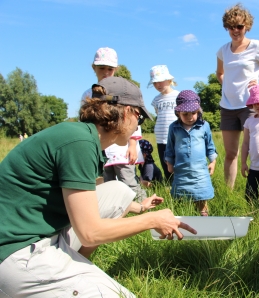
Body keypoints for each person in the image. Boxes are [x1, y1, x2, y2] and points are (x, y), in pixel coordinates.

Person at [0, 77, 196, 297]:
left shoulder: (81, 137)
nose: (138, 126)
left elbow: (86, 200)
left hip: (39, 232)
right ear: (127, 112)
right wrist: (153, 220)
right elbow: (89, 233)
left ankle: (76, 270)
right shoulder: (79, 143)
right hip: (18, 251)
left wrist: (140, 208)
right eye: (139, 118)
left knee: (118, 191)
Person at [216, 3, 259, 189]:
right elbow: (219, 73)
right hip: (227, 107)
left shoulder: (256, 46)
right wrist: (227, 86)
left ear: (246, 26)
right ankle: (228, 192)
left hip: (251, 107)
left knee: (256, 151)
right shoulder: (223, 50)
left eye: (239, 26)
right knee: (231, 153)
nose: (235, 30)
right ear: (227, 28)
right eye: (231, 27)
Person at [81, 47, 147, 201]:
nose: (105, 72)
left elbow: (133, 121)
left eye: (109, 69)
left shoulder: (122, 91)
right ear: (93, 68)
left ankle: (142, 204)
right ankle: (115, 208)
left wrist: (132, 145)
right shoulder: (88, 94)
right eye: (101, 68)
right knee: (106, 182)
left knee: (128, 180)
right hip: (101, 147)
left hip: (121, 149)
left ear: (116, 69)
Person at [165, 90, 218, 216]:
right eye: (185, 114)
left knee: (201, 196)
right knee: (182, 196)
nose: (190, 117)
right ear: (178, 113)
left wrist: (213, 161)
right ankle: (185, 218)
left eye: (193, 113)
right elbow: (170, 147)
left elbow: (210, 145)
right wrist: (169, 163)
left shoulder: (204, 126)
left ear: (198, 111)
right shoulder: (174, 127)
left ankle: (204, 217)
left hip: (200, 170)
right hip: (181, 170)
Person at [149, 65, 179, 183]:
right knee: (165, 161)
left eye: (160, 81)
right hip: (161, 137)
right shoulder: (156, 99)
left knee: (177, 161)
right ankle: (169, 184)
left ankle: (181, 184)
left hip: (176, 136)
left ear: (169, 79)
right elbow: (158, 114)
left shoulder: (178, 95)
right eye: (155, 83)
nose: (158, 85)